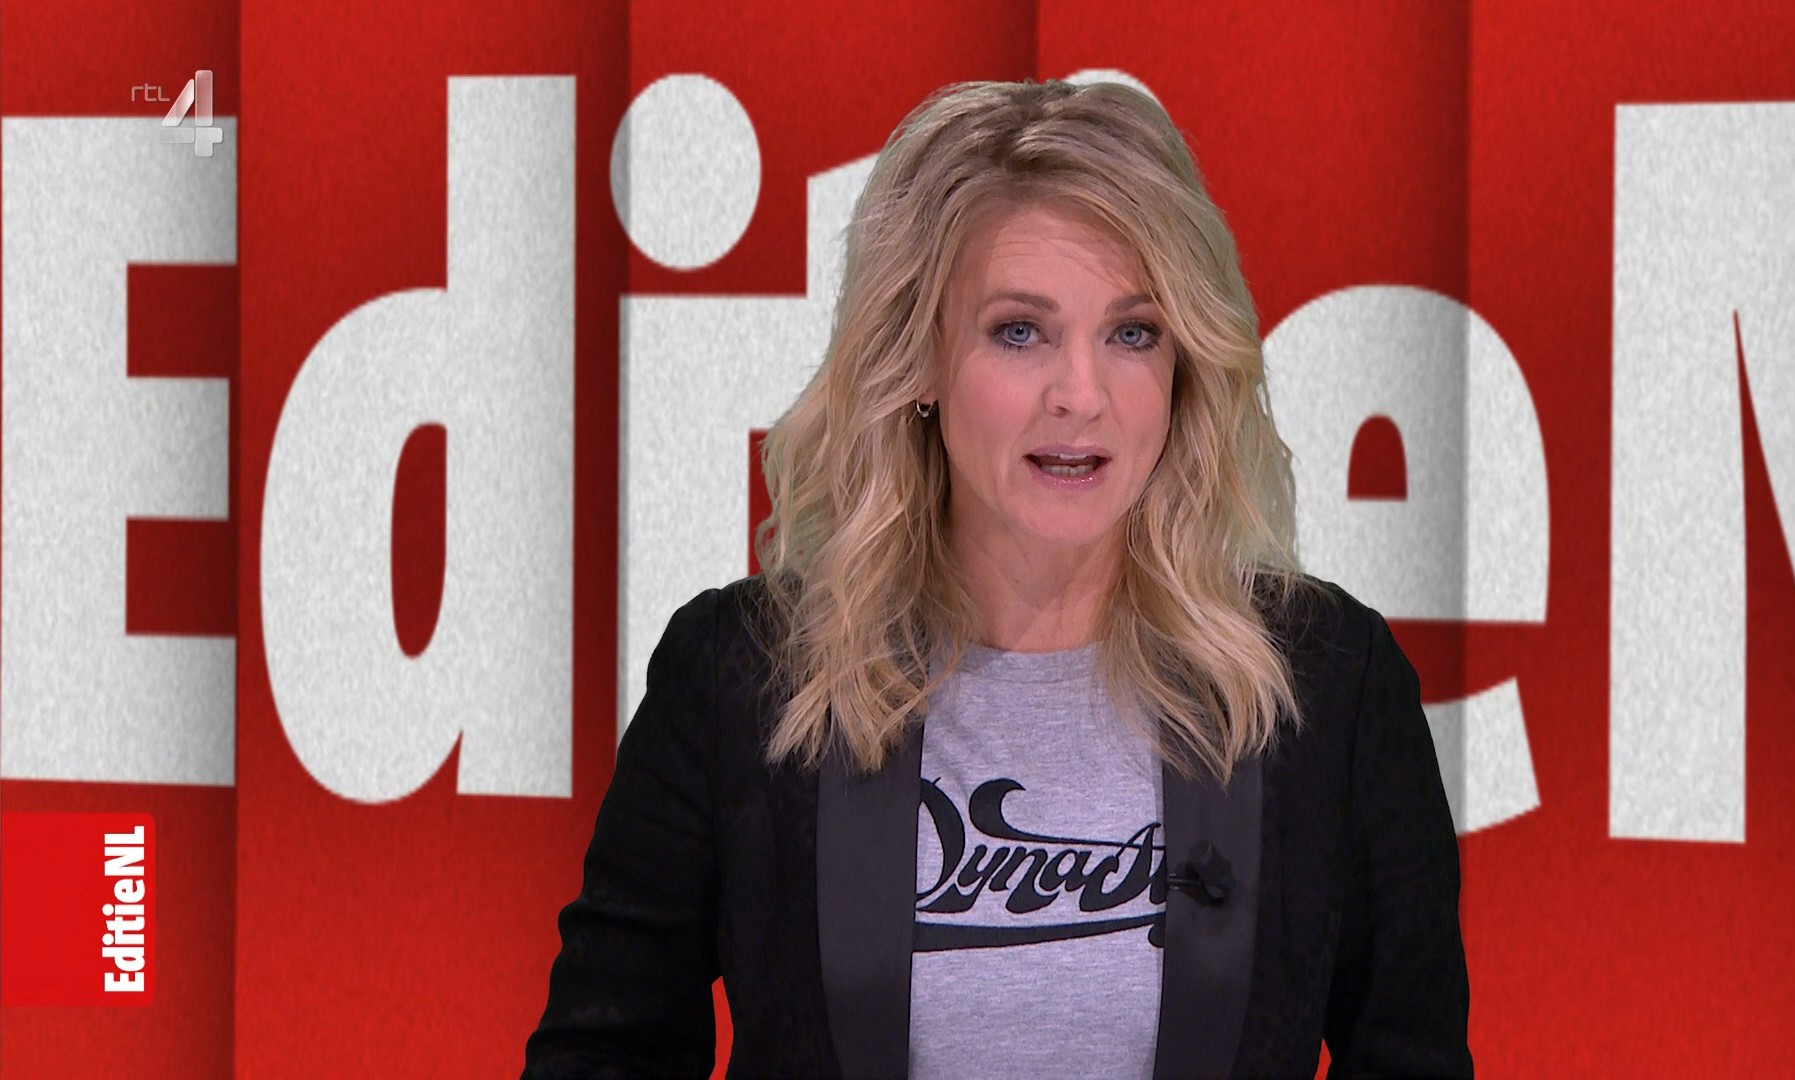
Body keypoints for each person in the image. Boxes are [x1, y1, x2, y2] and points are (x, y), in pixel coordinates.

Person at [524, 78, 1469, 1079]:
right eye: (1020, 331)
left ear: (1185, 365)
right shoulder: (743, 677)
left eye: (1133, 333)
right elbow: (601, 1054)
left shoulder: (1329, 686)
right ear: (920, 360)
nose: (1081, 395)